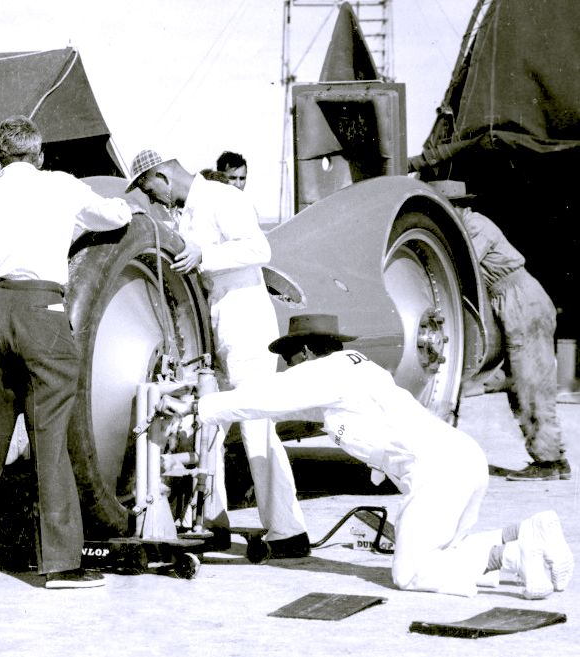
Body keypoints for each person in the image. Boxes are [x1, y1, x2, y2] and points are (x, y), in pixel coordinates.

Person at [160, 313, 574, 598]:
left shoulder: (325, 372)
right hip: (462, 458)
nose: (287, 369)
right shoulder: (361, 369)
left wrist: (200, 408)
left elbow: (266, 399)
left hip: (438, 472)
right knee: (443, 553)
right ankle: (527, 532)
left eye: (288, 360)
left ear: (304, 352)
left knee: (409, 573)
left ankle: (519, 556)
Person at [0, 115, 134, 589]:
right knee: (51, 438)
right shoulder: (63, 187)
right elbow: (114, 216)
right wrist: (134, 210)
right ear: (40, 154)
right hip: (43, 309)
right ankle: (61, 564)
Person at [125, 149, 307, 553]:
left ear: (163, 176)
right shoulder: (186, 211)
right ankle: (213, 522)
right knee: (209, 425)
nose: (153, 198)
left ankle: (288, 530)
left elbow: (260, 250)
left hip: (246, 326)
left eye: (149, 188)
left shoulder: (225, 199)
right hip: (216, 331)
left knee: (257, 425)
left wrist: (206, 256)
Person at [429, 180, 571, 482]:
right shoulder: (469, 225)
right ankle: (551, 458)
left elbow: (460, 265)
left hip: (520, 299)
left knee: (531, 382)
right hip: (510, 300)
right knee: (522, 385)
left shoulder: (476, 225)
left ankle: (549, 461)